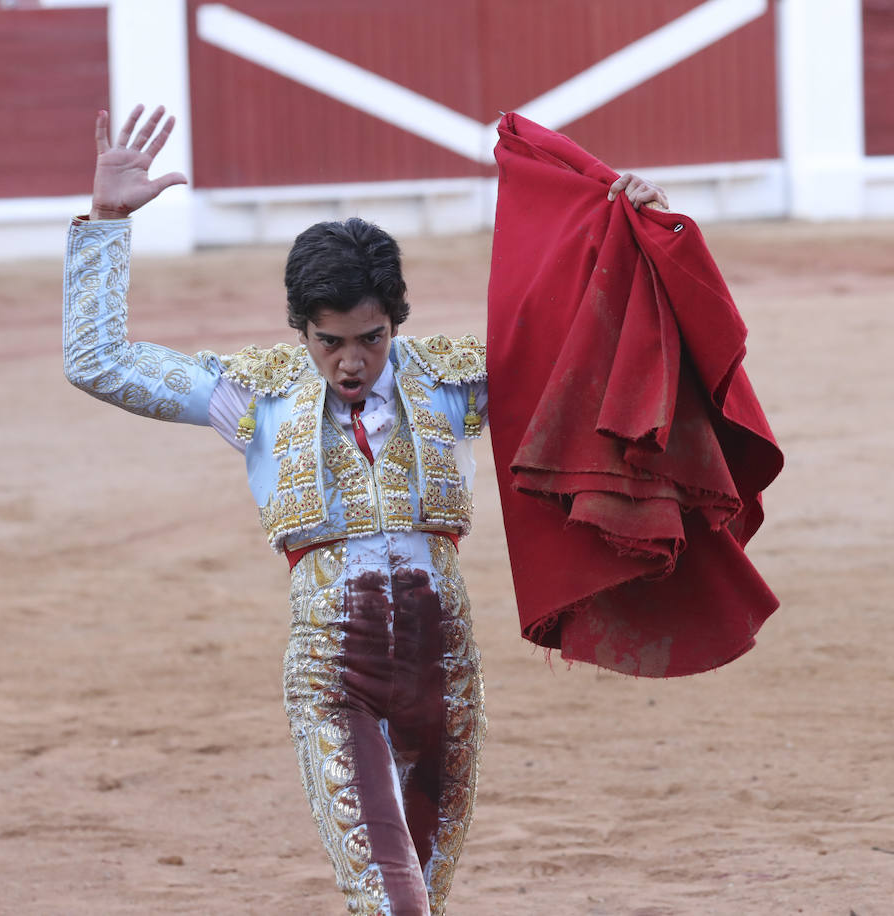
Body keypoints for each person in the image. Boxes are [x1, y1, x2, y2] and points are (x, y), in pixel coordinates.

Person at [63, 104, 668, 916]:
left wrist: (634, 233)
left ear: (397, 323)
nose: (351, 362)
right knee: (395, 905)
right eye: (329, 342)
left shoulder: (453, 380)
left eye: (372, 339)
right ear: (299, 330)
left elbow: (587, 345)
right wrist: (104, 222)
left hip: (446, 676)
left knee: (414, 897)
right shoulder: (255, 394)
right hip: (333, 676)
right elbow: (100, 361)